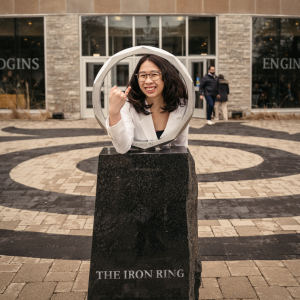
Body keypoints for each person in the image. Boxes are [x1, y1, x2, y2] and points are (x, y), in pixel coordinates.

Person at [106, 54, 189, 154]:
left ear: (166, 76)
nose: (148, 81)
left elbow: (180, 148)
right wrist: (114, 112)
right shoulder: (128, 105)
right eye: (143, 75)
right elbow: (123, 147)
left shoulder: (181, 105)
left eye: (154, 74)